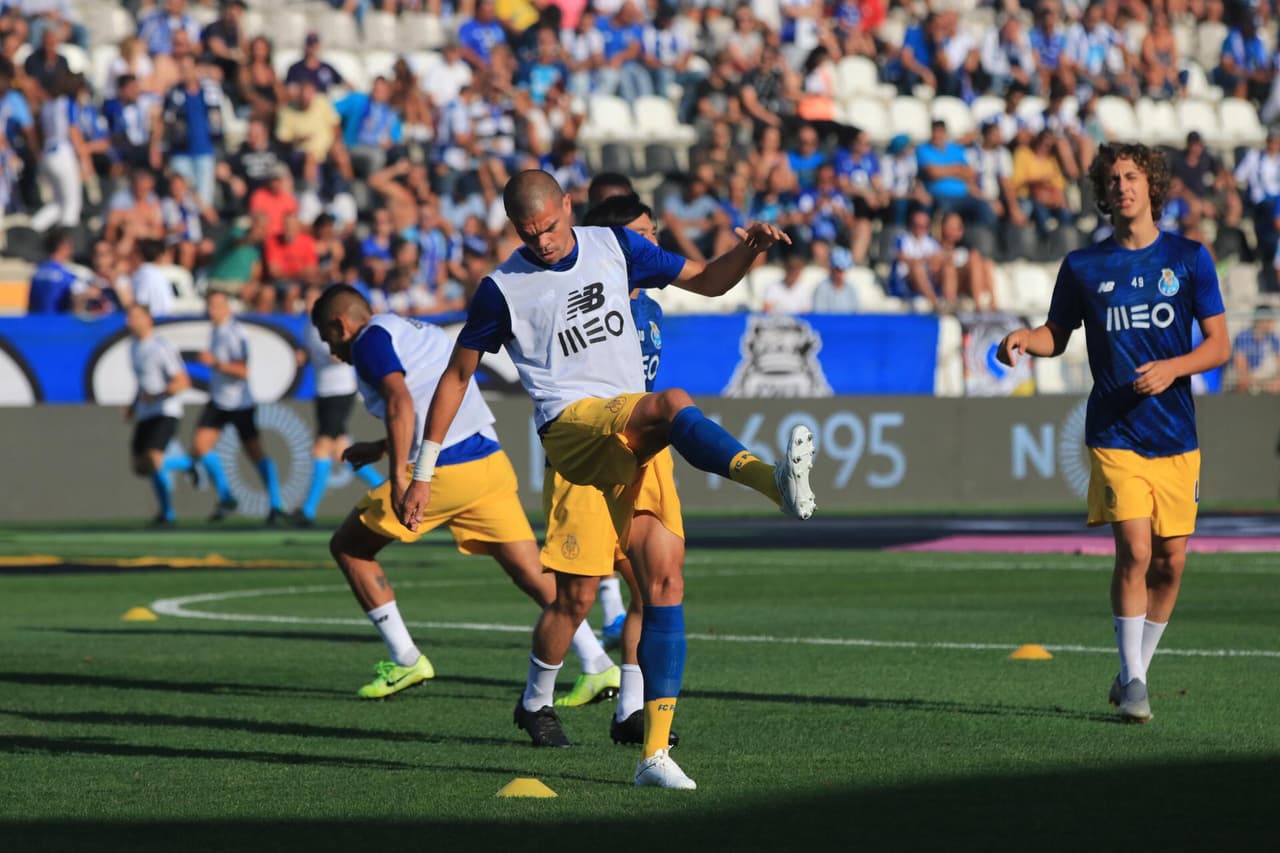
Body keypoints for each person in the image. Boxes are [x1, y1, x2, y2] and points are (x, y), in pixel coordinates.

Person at [400, 170, 816, 790]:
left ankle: (652, 755)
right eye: (528, 232)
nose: (542, 242)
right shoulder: (500, 289)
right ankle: (771, 482)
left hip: (636, 436)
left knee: (664, 581)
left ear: (569, 207)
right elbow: (457, 376)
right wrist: (421, 472)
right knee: (668, 406)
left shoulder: (614, 246)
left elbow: (704, 281)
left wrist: (749, 249)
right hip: (574, 431)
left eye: (549, 226)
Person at [997, 143, 1230, 723]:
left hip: (1176, 435)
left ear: (1152, 185)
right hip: (1114, 431)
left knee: (1171, 562)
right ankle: (1132, 682)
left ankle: (1135, 671)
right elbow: (1058, 333)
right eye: (1113, 179)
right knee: (1135, 548)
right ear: (1103, 193)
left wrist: (1175, 368)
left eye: (1132, 176)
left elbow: (1219, 346)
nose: (1123, 186)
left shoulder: (1191, 258)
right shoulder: (1083, 267)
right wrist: (1028, 337)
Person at [308, 285, 618, 699]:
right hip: (488, 462)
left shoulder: (368, 340)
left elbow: (401, 401)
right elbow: (427, 395)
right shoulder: (413, 330)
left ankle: (405, 658)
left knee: (349, 547)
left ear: (340, 324)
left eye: (329, 338)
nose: (333, 351)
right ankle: (598, 663)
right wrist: (382, 448)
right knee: (531, 572)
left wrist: (402, 477)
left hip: (441, 473)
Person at [540, 194, 679, 749]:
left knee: (651, 588)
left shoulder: (652, 308)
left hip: (639, 455)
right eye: (642, 234)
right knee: (574, 597)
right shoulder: (570, 302)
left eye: (655, 231)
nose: (654, 244)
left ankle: (628, 713)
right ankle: (535, 702)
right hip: (587, 455)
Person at [190, 289, 288, 524]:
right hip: (219, 400)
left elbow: (243, 371)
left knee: (255, 453)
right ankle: (226, 496)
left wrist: (215, 363)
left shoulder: (235, 333)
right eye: (209, 305)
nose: (210, 310)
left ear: (227, 308)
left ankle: (276, 504)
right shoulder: (216, 331)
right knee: (200, 447)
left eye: (215, 305)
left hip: (239, 403)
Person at [292, 287, 387, 528]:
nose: (308, 304)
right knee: (341, 452)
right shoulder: (308, 326)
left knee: (320, 448)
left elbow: (340, 353)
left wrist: (331, 349)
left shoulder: (328, 325)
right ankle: (385, 490)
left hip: (340, 390)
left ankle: (308, 510)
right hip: (323, 391)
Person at [125, 303, 197, 526]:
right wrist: (133, 404)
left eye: (136, 316)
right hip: (146, 412)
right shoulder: (134, 347)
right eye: (130, 317)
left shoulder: (160, 346)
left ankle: (169, 511)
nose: (131, 321)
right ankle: (187, 466)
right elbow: (142, 383)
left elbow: (182, 381)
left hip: (165, 410)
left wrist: (157, 396)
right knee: (140, 466)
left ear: (149, 320)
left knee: (154, 459)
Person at [1229, 304, 1280, 394]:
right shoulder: (1243, 337)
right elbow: (1241, 367)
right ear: (1259, 321)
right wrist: (1254, 382)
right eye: (1269, 319)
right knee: (1243, 383)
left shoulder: (1273, 339)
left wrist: (1274, 381)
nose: (1272, 322)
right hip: (1247, 378)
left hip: (1265, 380)